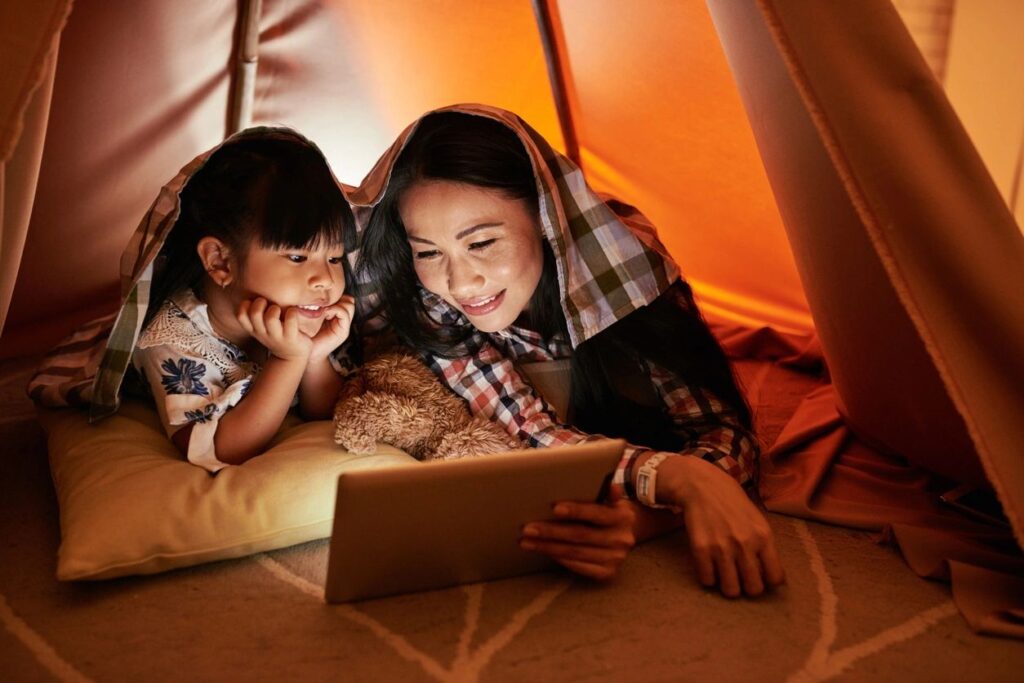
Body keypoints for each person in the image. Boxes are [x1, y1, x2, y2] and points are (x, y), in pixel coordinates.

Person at [357, 107, 785, 597]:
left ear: (546, 222)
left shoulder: (624, 269)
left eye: (482, 242)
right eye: (428, 252)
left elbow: (723, 429)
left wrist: (642, 516)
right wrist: (677, 479)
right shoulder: (430, 304)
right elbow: (534, 441)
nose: (459, 281)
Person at [131, 133, 356, 472]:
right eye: (297, 256)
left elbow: (325, 413)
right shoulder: (172, 337)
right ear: (220, 262)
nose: (325, 280)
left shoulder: (298, 312)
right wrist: (288, 359)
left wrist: (314, 357)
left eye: (335, 258)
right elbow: (220, 449)